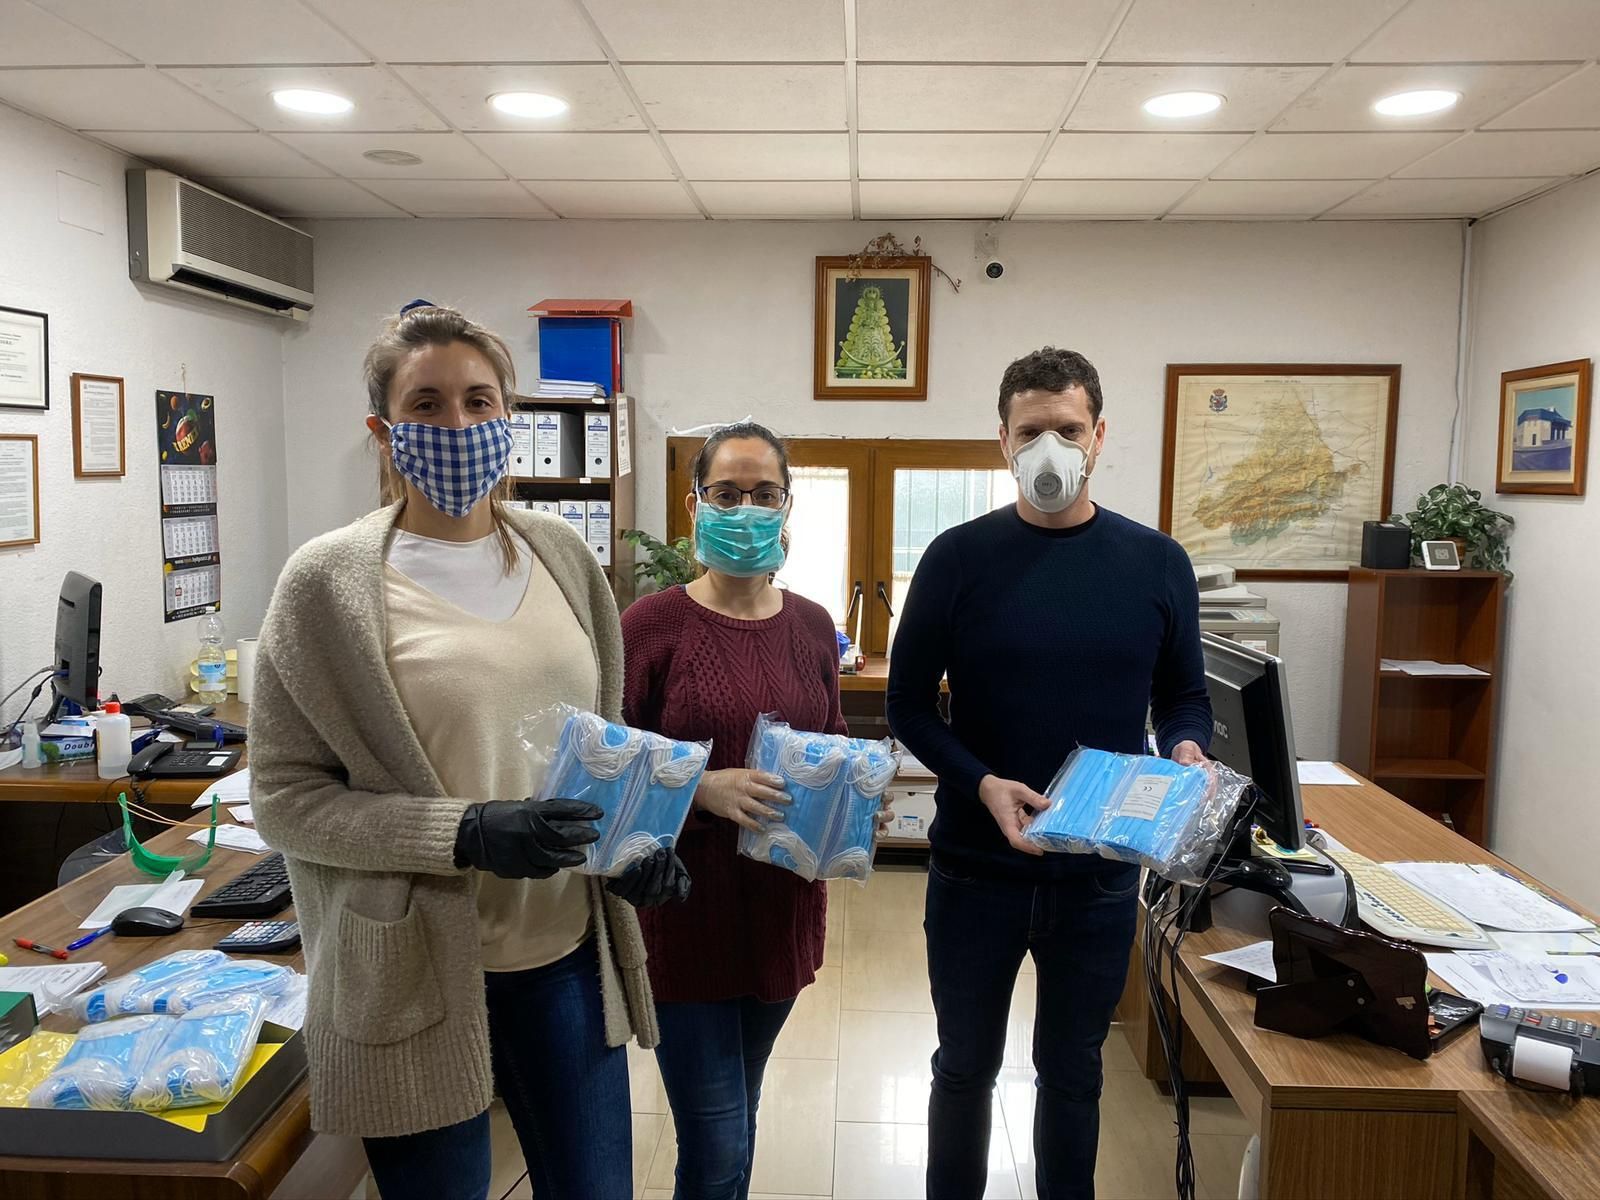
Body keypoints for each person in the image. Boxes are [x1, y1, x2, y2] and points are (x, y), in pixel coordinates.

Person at [250, 303, 687, 1200]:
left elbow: (595, 743)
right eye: (427, 405)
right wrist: (465, 833)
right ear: (383, 430)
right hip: (414, 971)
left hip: (566, 958)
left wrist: (633, 848)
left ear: (510, 420)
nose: (457, 425)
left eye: (479, 402)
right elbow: (286, 801)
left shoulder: (563, 556)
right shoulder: (328, 585)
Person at [886, 347, 1212, 1200]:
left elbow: (1184, 696)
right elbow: (909, 706)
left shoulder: (1156, 563)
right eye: (1032, 432)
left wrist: (1185, 749)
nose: (1051, 449)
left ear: (1099, 436)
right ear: (1003, 442)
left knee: (1073, 1074)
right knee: (964, 1069)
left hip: (1095, 877)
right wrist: (982, 782)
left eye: (1068, 429)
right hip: (973, 870)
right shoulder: (957, 559)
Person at [622, 422, 886, 1200]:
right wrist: (702, 786)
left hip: (782, 907)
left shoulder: (811, 625)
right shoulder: (651, 626)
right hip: (686, 916)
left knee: (742, 1109)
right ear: (695, 501)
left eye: (763, 493)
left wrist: (858, 778)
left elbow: (831, 735)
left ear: (787, 503)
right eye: (727, 493)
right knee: (716, 1140)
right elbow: (612, 770)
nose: (746, 508)